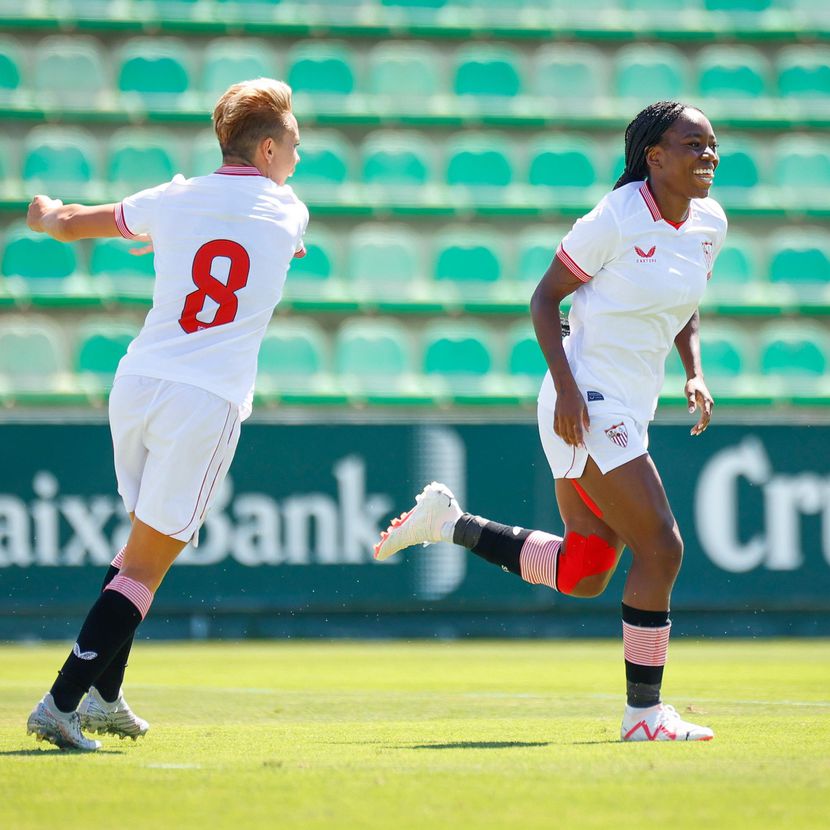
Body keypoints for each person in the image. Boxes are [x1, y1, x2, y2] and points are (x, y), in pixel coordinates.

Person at [375, 101, 727, 742]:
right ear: (654, 156)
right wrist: (567, 390)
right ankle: (644, 717)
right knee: (662, 547)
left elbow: (685, 306)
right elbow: (543, 299)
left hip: (628, 405)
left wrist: (693, 371)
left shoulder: (709, 223)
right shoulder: (614, 219)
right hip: (586, 399)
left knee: (586, 571)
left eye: (712, 145)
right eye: (692, 144)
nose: (707, 155)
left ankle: (448, 523)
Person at [25, 78, 307, 750]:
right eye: (293, 144)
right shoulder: (288, 210)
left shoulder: (173, 197)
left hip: (139, 381)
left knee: (135, 550)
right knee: (148, 566)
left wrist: (43, 212)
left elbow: (68, 226)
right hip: (202, 400)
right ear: (267, 149)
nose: (298, 156)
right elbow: (264, 248)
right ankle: (62, 702)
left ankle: (104, 696)